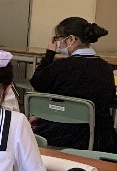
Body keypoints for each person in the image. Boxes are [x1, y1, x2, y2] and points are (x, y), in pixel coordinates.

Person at [30, 17, 117, 152]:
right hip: (98, 140)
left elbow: (37, 82)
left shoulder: (60, 67)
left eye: (58, 38)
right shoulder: (106, 68)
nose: (57, 42)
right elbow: (108, 99)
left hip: (58, 136)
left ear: (71, 39)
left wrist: (50, 54)